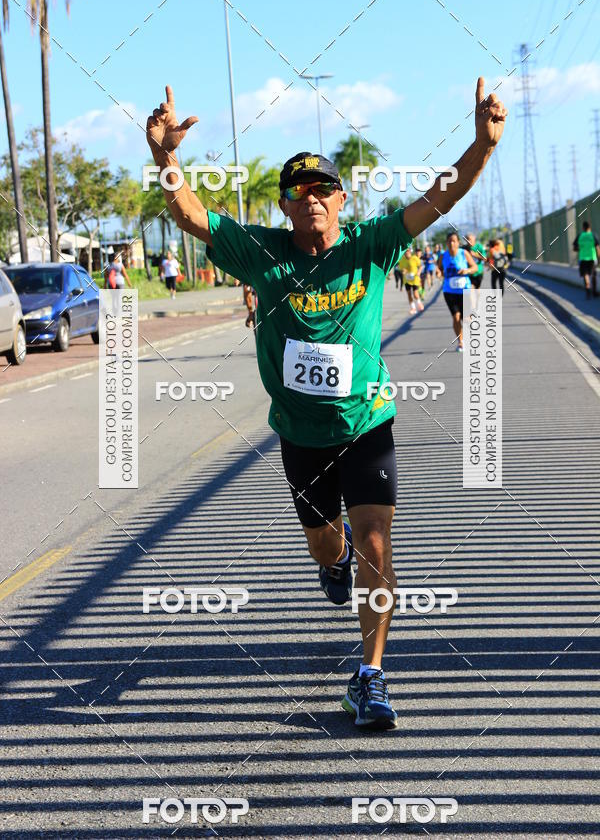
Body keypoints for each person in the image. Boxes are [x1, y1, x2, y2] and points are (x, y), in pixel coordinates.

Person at [146, 78, 507, 730]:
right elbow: (192, 216)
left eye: (322, 190)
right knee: (327, 546)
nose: (310, 199)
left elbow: (442, 194)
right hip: (300, 434)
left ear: (342, 199)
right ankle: (332, 560)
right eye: (297, 192)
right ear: (285, 208)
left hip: (367, 422)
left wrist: (482, 144)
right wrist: (167, 162)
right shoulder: (264, 253)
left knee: (376, 542)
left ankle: (369, 675)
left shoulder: (372, 244)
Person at [436, 231, 478, 351]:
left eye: (454, 241)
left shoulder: (464, 253)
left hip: (465, 290)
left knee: (465, 319)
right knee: (456, 317)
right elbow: (439, 269)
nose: (451, 243)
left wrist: (467, 271)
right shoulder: (443, 256)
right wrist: (438, 273)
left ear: (458, 242)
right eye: (449, 241)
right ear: (446, 243)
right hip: (449, 291)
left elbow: (474, 267)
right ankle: (460, 342)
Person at [573, 221, 600, 298]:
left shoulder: (580, 236)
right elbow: (597, 248)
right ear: (589, 227)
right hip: (592, 258)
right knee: (593, 275)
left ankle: (588, 290)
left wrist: (580, 249)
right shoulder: (593, 235)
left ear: (583, 227)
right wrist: (599, 258)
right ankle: (594, 292)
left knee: (585, 274)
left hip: (583, 258)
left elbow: (575, 248)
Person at [396, 246, 424, 314]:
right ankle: (413, 308)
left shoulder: (414, 258)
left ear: (410, 251)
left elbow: (421, 266)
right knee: (409, 294)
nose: (407, 252)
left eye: (408, 251)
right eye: (405, 251)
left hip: (415, 279)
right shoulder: (402, 260)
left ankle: (419, 302)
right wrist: (403, 271)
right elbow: (401, 269)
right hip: (407, 279)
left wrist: (419, 272)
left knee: (415, 294)